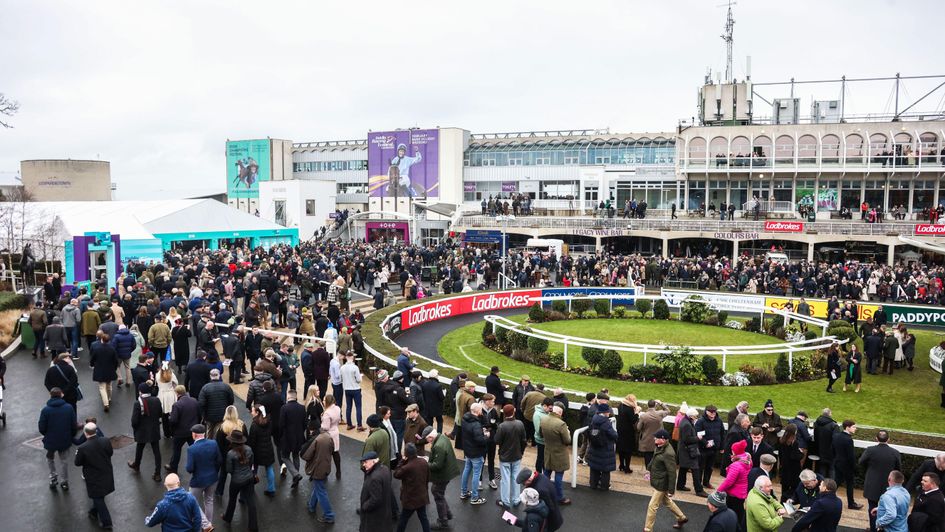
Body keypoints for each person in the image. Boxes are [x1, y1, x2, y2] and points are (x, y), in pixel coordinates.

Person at [643, 428, 688, 531]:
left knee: (652, 506)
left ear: (663, 439)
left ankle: (648, 529)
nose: (654, 438)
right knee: (667, 501)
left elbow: (672, 473)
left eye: (656, 437)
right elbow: (654, 458)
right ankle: (682, 518)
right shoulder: (659, 446)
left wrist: (671, 490)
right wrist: (648, 469)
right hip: (658, 480)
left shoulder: (668, 453)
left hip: (662, 483)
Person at [75, 422, 115, 530]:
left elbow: (77, 463)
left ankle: (107, 522)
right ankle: (93, 511)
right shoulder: (105, 440)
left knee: (97, 497)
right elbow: (110, 453)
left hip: (93, 477)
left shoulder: (83, 448)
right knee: (98, 496)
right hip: (106, 473)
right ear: (96, 431)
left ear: (85, 433)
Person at [859, 430, 902, 531]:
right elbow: (898, 469)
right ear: (889, 439)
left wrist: (869, 470)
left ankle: (874, 528)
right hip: (889, 485)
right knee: (887, 508)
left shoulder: (870, 450)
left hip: (872, 483)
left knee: (872, 507)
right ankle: (882, 528)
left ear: (876, 439)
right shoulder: (895, 452)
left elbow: (861, 462)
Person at [185, 423, 221, 532]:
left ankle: (206, 525)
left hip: (198, 481)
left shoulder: (192, 449)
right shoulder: (213, 443)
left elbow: (189, 468)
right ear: (204, 434)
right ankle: (208, 523)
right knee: (209, 500)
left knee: (191, 501)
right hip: (213, 478)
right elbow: (219, 460)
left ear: (194, 435)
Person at [221, 430, 258, 531]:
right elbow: (251, 463)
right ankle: (253, 527)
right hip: (249, 478)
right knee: (251, 502)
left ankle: (228, 517)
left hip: (236, 481)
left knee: (232, 500)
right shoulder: (249, 449)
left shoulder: (230, 454)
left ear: (232, 441)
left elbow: (229, 470)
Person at [38, 387, 74, 491]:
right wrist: (70, 435)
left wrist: (48, 434)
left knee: (50, 458)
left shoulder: (45, 410)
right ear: (61, 395)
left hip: (51, 440)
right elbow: (73, 425)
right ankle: (64, 481)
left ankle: (53, 478)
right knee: (64, 461)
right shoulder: (69, 408)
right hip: (64, 439)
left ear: (51, 396)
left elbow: (41, 428)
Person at [129, 382, 164, 482]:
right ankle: (157, 473)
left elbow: (134, 420)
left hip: (142, 431)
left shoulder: (137, 403)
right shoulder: (156, 400)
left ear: (140, 391)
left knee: (140, 448)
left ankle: (136, 465)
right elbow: (160, 414)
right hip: (154, 429)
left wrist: (135, 428)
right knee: (156, 452)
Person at [302, 423, 335, 524]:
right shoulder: (328, 436)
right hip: (326, 467)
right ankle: (311, 505)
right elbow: (332, 450)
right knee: (318, 487)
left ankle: (329, 515)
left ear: (312, 429)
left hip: (317, 469)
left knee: (321, 491)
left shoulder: (317, 440)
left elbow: (306, 456)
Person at [494, 403, 526, 509]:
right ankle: (516, 499)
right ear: (514, 412)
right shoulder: (520, 424)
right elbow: (524, 441)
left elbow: (496, 440)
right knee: (516, 478)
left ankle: (505, 502)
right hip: (516, 456)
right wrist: (521, 452)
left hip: (505, 457)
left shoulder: (502, 426)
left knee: (505, 479)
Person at [394, 443, 431, 532]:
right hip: (422, 497)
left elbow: (396, 474)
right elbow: (428, 478)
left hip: (410, 500)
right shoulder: (423, 462)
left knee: (403, 519)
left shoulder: (407, 467)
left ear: (406, 454)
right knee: (423, 518)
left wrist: (402, 461)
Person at [717, 438, 751, 530]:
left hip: (733, 494)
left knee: (731, 515)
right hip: (742, 492)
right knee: (739, 513)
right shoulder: (747, 458)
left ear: (735, 451)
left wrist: (718, 490)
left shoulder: (736, 465)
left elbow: (729, 481)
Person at [165, 385, 200, 474]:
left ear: (177, 394)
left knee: (176, 451)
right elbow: (199, 415)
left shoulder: (177, 405)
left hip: (180, 433)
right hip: (193, 431)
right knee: (195, 449)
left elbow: (173, 420)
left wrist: (172, 429)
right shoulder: (194, 401)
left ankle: (173, 468)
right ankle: (199, 466)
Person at [460, 402, 489, 505]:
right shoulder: (476, 424)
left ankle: (463, 492)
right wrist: (486, 436)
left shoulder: (464, 419)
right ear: (477, 411)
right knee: (476, 474)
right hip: (476, 452)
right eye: (480, 410)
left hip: (468, 450)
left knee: (466, 470)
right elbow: (480, 440)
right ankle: (475, 498)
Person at [359, 451, 394, 532]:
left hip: (375, 517)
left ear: (374, 461)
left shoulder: (374, 478)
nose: (364, 464)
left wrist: (364, 506)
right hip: (385, 513)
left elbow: (375, 499)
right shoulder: (384, 469)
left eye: (365, 462)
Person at [279, 389, 307, 488]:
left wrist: (281, 436)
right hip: (299, 437)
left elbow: (281, 424)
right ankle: (296, 477)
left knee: (284, 457)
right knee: (295, 456)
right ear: (296, 397)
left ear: (288, 397)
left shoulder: (284, 408)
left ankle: (295, 474)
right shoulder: (302, 408)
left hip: (287, 438)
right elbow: (305, 424)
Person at [832, 420, 863, 509]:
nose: (855, 429)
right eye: (853, 427)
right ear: (847, 427)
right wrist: (855, 468)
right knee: (849, 484)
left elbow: (832, 450)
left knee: (836, 483)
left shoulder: (836, 436)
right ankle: (851, 504)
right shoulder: (849, 439)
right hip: (847, 466)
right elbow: (851, 456)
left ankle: (825, 497)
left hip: (837, 463)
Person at [587, 402, 618, 491]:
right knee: (605, 470)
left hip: (594, 447)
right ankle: (604, 487)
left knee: (594, 468)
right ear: (605, 412)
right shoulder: (606, 422)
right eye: (608, 412)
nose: (609, 413)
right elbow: (614, 435)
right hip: (605, 449)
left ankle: (593, 484)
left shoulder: (594, 419)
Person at [677, 407, 708, 496]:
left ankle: (680, 485)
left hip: (685, 450)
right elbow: (687, 439)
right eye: (695, 416)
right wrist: (698, 438)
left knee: (683, 468)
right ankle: (699, 490)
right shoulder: (687, 424)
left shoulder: (685, 421)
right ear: (691, 416)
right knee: (695, 470)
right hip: (689, 451)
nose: (696, 417)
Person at [247, 404, 277, 497]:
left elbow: (252, 441)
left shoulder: (254, 425)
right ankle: (271, 489)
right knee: (269, 468)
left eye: (253, 411)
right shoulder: (269, 422)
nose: (251, 412)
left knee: (253, 469)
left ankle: (250, 488)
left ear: (257, 412)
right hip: (268, 449)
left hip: (257, 452)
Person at [197, 369, 234, 437]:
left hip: (209, 416)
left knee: (209, 433)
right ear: (219, 375)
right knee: (221, 433)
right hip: (223, 415)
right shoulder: (226, 387)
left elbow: (201, 403)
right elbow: (231, 400)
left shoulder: (205, 388)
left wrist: (203, 415)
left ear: (210, 376)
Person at [89, 331, 119, 412]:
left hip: (100, 370)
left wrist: (92, 365)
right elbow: (116, 361)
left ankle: (106, 404)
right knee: (109, 386)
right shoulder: (112, 349)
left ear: (102, 339)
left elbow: (92, 359)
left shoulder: (97, 349)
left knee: (102, 387)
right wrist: (114, 368)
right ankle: (109, 398)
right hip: (110, 370)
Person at [696, 405, 724, 490]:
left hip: (714, 448)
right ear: (706, 412)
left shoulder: (719, 421)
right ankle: (698, 483)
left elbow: (722, 434)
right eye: (711, 412)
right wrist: (705, 443)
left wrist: (721, 447)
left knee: (710, 467)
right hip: (703, 448)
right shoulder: (701, 421)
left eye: (714, 412)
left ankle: (706, 482)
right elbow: (698, 434)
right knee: (700, 467)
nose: (713, 413)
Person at [637, 399, 670, 467]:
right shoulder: (660, 413)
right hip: (658, 440)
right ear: (655, 405)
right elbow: (668, 411)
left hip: (647, 440)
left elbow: (638, 428)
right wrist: (661, 403)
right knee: (657, 455)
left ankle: (648, 470)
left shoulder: (643, 416)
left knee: (648, 456)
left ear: (647, 405)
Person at [778, 424, 804, 502]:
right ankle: (789, 502)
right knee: (794, 488)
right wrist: (801, 453)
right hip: (793, 469)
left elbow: (780, 454)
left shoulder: (781, 440)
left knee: (784, 488)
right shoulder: (794, 442)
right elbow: (794, 456)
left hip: (785, 468)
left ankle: (782, 502)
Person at [321, 393, 343, 479]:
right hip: (335, 432)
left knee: (326, 455)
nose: (323, 401)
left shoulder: (327, 413)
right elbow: (339, 420)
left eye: (324, 400)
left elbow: (325, 427)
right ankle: (338, 470)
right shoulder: (337, 408)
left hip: (328, 435)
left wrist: (320, 425)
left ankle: (326, 472)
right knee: (335, 453)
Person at [341, 352, 365, 431]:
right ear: (352, 357)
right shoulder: (355, 367)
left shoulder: (342, 367)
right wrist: (360, 377)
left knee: (348, 407)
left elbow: (341, 379)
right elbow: (358, 380)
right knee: (358, 407)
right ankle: (359, 425)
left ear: (346, 357)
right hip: (355, 389)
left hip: (347, 389)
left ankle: (349, 424)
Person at [616, 394, 639, 474]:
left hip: (620, 430)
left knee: (621, 449)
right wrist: (637, 412)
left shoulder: (620, 405)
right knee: (628, 450)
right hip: (628, 432)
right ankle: (627, 468)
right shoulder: (629, 409)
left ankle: (621, 465)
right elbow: (633, 420)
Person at [421, 368, 445, 434]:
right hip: (437, 408)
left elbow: (423, 395)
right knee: (440, 421)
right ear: (435, 376)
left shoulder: (424, 384)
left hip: (428, 407)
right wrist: (444, 394)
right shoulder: (438, 385)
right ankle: (439, 435)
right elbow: (441, 397)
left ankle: (429, 434)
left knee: (429, 422)